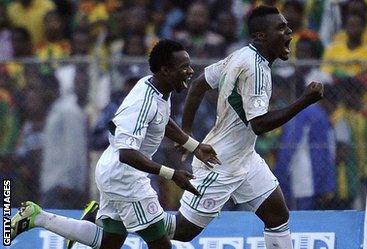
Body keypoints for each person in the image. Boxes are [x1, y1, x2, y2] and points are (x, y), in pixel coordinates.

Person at [11, 39, 220, 249]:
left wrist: (194, 146)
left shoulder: (154, 87)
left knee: (109, 242)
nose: (190, 71)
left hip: (115, 171)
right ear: (165, 70)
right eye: (184, 67)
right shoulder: (143, 102)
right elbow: (127, 154)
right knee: (162, 244)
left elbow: (162, 120)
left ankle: (37, 217)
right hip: (125, 177)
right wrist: (172, 174)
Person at [164, 6, 324, 249]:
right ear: (261, 36)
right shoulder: (255, 69)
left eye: (287, 27)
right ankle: (119, 218)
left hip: (244, 159)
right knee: (182, 231)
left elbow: (199, 83)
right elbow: (259, 124)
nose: (289, 33)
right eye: (281, 28)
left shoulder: (241, 55)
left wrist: (186, 134)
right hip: (220, 163)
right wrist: (304, 101)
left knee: (277, 216)